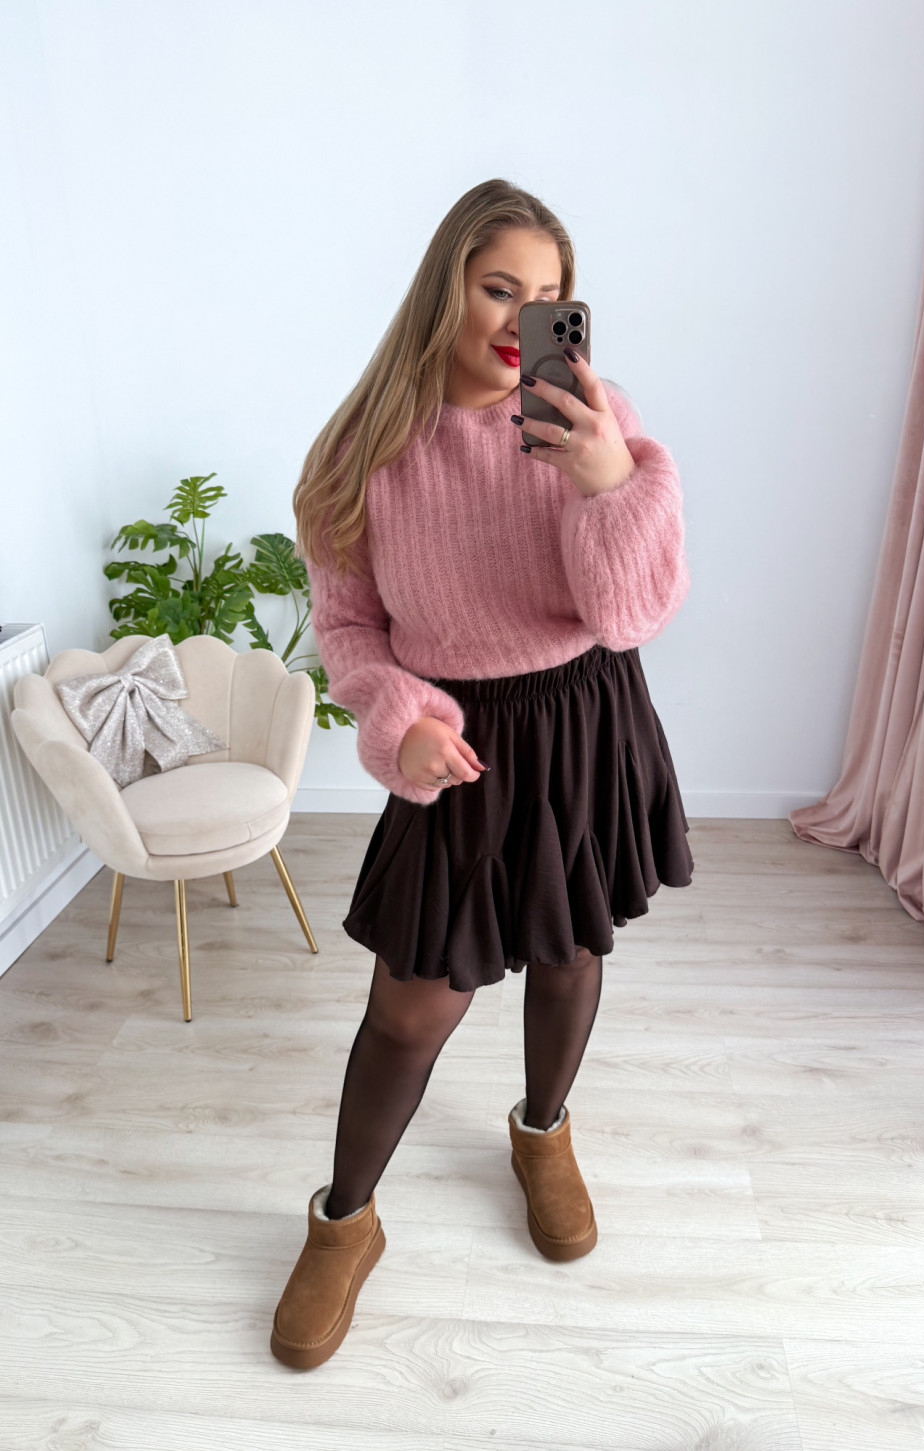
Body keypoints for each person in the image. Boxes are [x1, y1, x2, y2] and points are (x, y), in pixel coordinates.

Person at [270, 178, 694, 1370]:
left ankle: (542, 1131)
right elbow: (348, 630)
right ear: (443, 287)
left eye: (548, 295)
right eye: (499, 287)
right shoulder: (361, 450)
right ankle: (344, 1219)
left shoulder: (590, 418)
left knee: (571, 950)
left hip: (582, 715)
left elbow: (626, 616)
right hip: (454, 742)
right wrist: (399, 716)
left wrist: (607, 479)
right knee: (410, 1007)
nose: (522, 318)